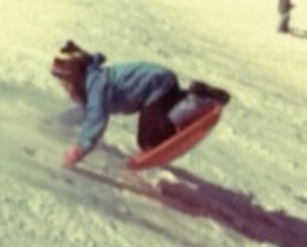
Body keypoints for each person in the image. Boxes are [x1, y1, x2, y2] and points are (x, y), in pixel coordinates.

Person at [51, 41, 229, 168]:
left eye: (65, 80)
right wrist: (57, 123)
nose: (64, 85)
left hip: (155, 85)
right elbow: (86, 112)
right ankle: (189, 98)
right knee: (158, 114)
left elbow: (95, 118)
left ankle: (195, 101)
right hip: (157, 82)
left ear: (74, 76)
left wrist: (79, 151)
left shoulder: (96, 85)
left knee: (149, 140)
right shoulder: (93, 81)